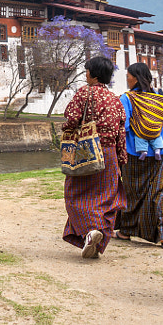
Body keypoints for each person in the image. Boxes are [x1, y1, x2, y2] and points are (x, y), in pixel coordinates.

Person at [61, 55, 127, 259]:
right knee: (106, 198)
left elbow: (71, 119)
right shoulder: (115, 99)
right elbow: (121, 131)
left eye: (87, 70)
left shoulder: (85, 93)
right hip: (109, 154)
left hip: (87, 150)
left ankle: (90, 231)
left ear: (93, 74)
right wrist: (121, 158)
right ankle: (97, 238)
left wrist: (67, 129)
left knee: (75, 193)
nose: (86, 74)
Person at [115, 62, 163, 248]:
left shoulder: (127, 98)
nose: (127, 78)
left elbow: (123, 127)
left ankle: (126, 231)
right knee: (161, 190)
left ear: (136, 77)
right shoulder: (160, 97)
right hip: (160, 153)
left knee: (133, 191)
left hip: (134, 153)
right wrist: (153, 138)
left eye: (129, 75)